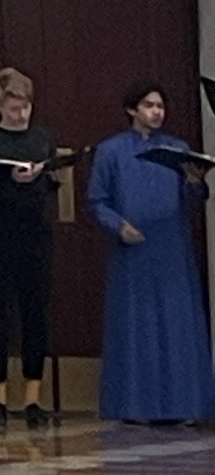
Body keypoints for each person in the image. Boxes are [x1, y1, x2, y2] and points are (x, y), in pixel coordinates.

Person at [88, 83, 215, 427]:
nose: (157, 112)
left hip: (171, 249)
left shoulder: (178, 149)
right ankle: (134, 406)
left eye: (160, 106)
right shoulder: (111, 151)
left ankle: (183, 406)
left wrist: (195, 182)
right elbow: (97, 201)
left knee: (176, 327)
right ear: (132, 109)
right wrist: (118, 226)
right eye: (149, 105)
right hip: (132, 252)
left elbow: (194, 200)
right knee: (136, 327)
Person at [0, 67, 58, 432]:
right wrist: (14, 178)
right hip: (0, 233)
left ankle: (33, 398)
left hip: (35, 233)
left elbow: (51, 183)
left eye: (25, 107)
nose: (21, 114)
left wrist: (42, 176)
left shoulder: (41, 138)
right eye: (13, 108)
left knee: (35, 312)